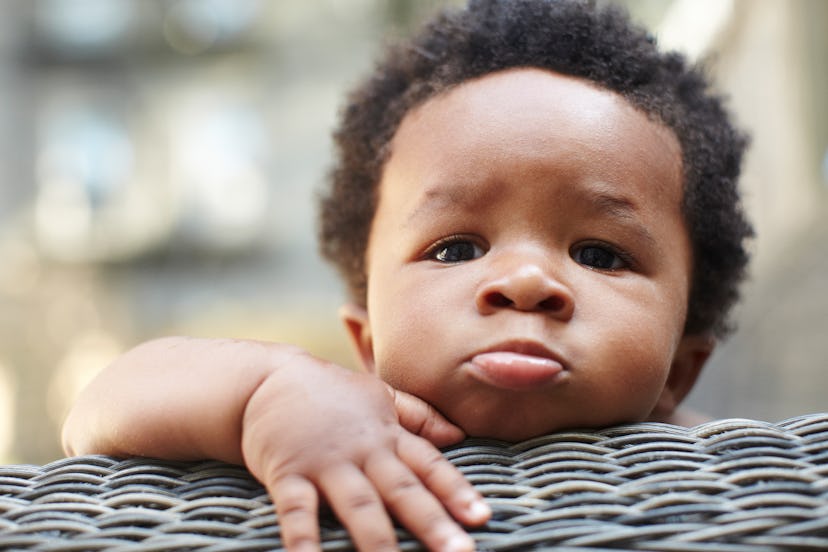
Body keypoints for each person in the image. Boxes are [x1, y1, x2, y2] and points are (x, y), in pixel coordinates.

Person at [62, 1, 753, 551]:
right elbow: (98, 408)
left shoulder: (726, 478)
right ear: (366, 342)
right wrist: (265, 392)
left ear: (679, 372)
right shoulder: (330, 420)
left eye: (600, 255)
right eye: (456, 248)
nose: (525, 282)